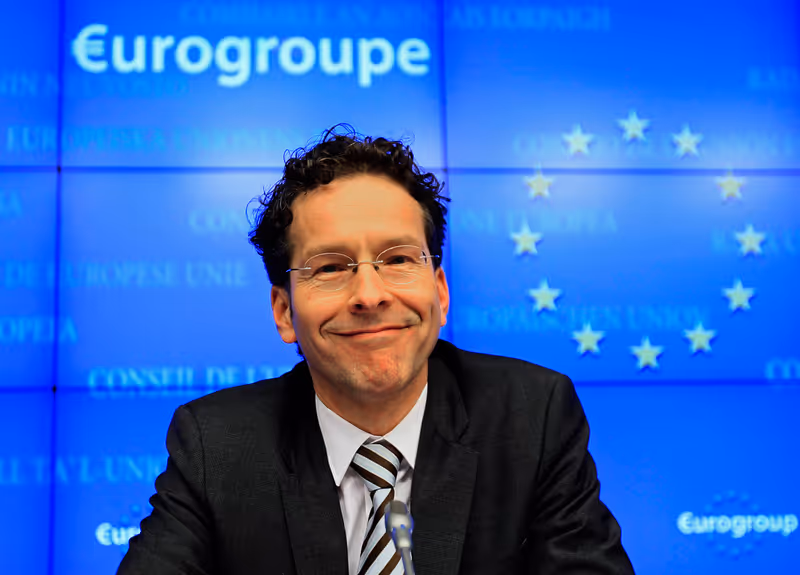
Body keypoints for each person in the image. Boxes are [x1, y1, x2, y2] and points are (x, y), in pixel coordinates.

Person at [118, 126, 635, 575]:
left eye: (398, 260)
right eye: (330, 267)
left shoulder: (532, 415)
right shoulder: (216, 445)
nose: (370, 294)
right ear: (284, 311)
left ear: (440, 293)